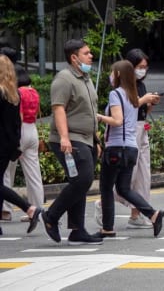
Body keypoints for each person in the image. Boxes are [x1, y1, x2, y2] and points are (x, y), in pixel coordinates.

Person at [41, 39, 102, 245]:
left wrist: (96, 140)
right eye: (86, 53)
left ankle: (77, 230)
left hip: (86, 139)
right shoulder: (64, 79)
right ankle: (51, 216)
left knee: (80, 182)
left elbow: (89, 111)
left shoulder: (85, 78)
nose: (91, 56)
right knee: (83, 179)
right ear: (74, 58)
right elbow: (58, 108)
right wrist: (64, 137)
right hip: (71, 138)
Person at [97, 60, 164, 238]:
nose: (110, 76)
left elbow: (117, 121)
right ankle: (153, 214)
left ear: (118, 75)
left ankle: (107, 228)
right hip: (131, 148)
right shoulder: (133, 95)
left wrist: (98, 117)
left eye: (112, 72)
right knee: (123, 188)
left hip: (116, 147)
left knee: (106, 188)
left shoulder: (115, 94)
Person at [110, 48, 161, 230]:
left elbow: (141, 110)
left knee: (143, 174)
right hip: (129, 131)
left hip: (141, 127)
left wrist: (150, 103)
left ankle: (136, 215)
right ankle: (105, 201)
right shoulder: (122, 86)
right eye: (140, 67)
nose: (143, 70)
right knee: (128, 174)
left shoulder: (140, 85)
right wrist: (142, 100)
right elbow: (125, 108)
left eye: (145, 67)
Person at [0, 55, 42, 237]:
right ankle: (35, 206)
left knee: (4, 180)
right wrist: (15, 144)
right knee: (31, 173)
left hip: (4, 141)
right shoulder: (14, 94)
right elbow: (18, 121)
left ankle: (25, 208)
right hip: (20, 137)